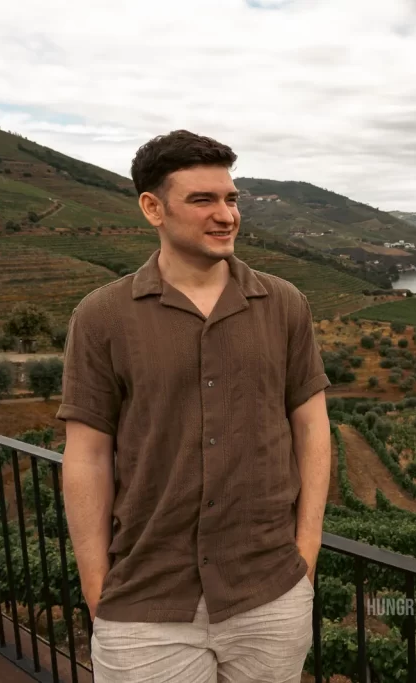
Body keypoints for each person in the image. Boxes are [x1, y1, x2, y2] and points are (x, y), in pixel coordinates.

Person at [57, 130, 332, 683]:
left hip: (270, 592)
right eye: (203, 200)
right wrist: (95, 584)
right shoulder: (103, 315)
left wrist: (306, 553)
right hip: (146, 602)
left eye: (231, 199)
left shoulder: (284, 304)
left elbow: (312, 429)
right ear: (152, 208)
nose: (226, 215)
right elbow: (86, 455)